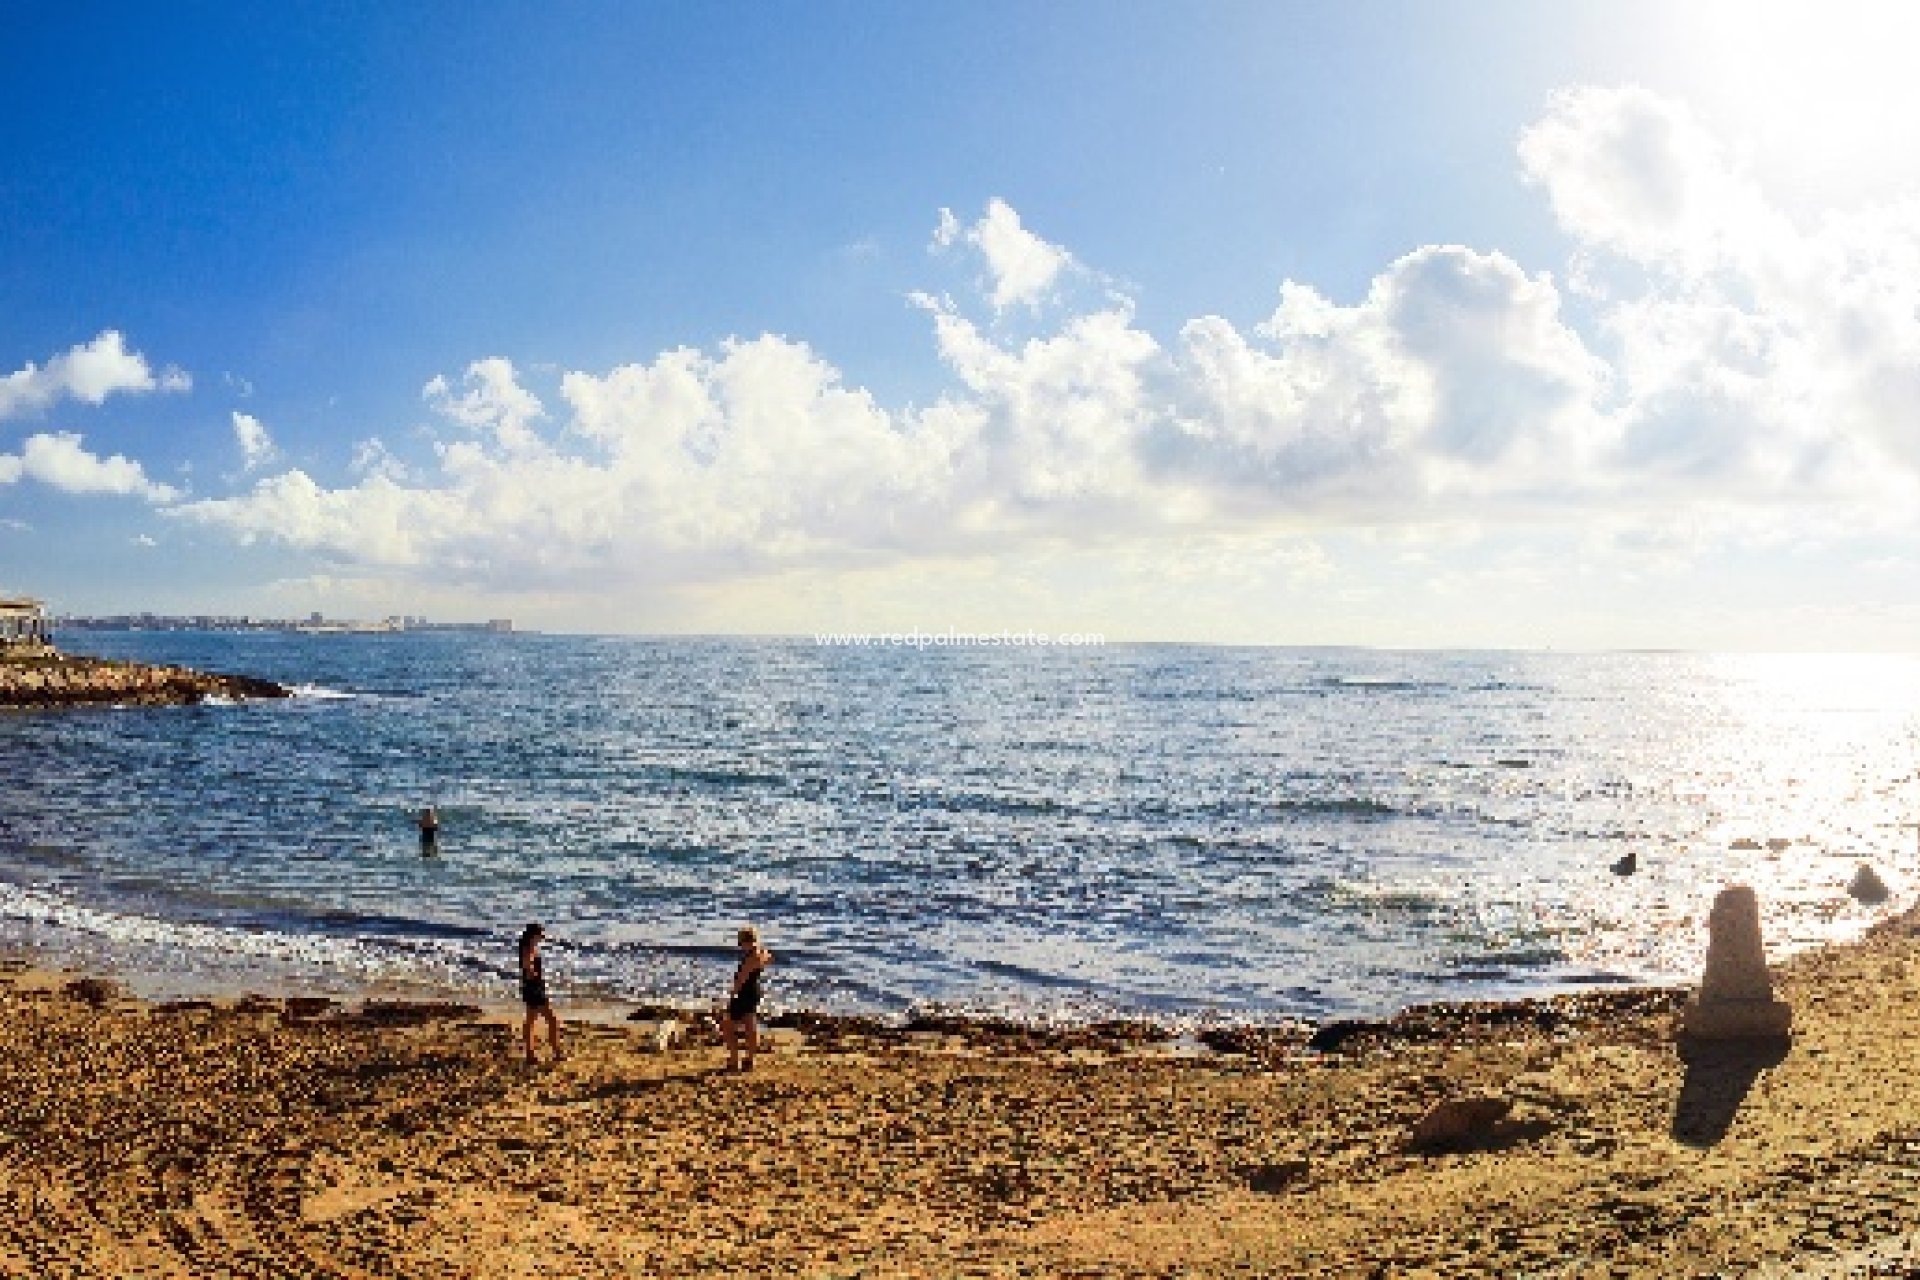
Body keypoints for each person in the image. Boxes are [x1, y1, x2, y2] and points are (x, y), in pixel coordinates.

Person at [720, 926, 773, 1073]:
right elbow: (769, 959)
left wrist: (732, 994)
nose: (740, 946)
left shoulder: (751, 958)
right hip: (754, 991)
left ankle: (734, 1060)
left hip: (744, 993)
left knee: (727, 1026)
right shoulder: (762, 952)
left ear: (746, 941)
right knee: (750, 1025)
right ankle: (750, 1059)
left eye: (740, 942)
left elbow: (740, 979)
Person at [517, 923, 563, 1066]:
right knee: (552, 1020)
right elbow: (527, 966)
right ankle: (556, 1052)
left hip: (531, 988)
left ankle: (530, 1055)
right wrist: (534, 975)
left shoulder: (528, 948)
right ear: (533, 935)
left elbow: (526, 967)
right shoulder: (528, 949)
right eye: (540, 935)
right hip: (534, 989)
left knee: (531, 1022)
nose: (542, 938)